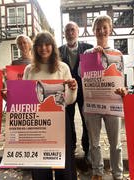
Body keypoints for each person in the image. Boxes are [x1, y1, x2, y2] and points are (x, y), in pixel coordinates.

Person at [23, 31, 78, 180]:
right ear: (35, 48)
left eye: (47, 44)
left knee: (63, 159)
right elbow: (24, 98)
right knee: (40, 161)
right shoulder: (29, 70)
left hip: (59, 119)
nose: (43, 48)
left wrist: (73, 89)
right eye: (40, 45)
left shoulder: (63, 68)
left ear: (53, 47)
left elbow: (69, 100)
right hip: (37, 121)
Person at [83, 15, 124, 180]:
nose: (101, 30)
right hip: (93, 104)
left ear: (110, 29)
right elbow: (81, 75)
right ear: (93, 31)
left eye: (104, 27)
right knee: (94, 143)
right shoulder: (87, 53)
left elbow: (120, 77)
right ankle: (97, 171)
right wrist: (93, 57)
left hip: (113, 103)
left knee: (116, 144)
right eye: (98, 28)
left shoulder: (117, 53)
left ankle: (117, 174)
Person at [59, 21, 93, 160]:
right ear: (64, 33)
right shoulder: (58, 51)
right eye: (67, 31)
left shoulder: (88, 48)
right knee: (68, 120)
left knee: (87, 121)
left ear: (78, 32)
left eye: (72, 30)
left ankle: (87, 150)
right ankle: (71, 148)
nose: (70, 33)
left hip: (85, 91)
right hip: (67, 91)